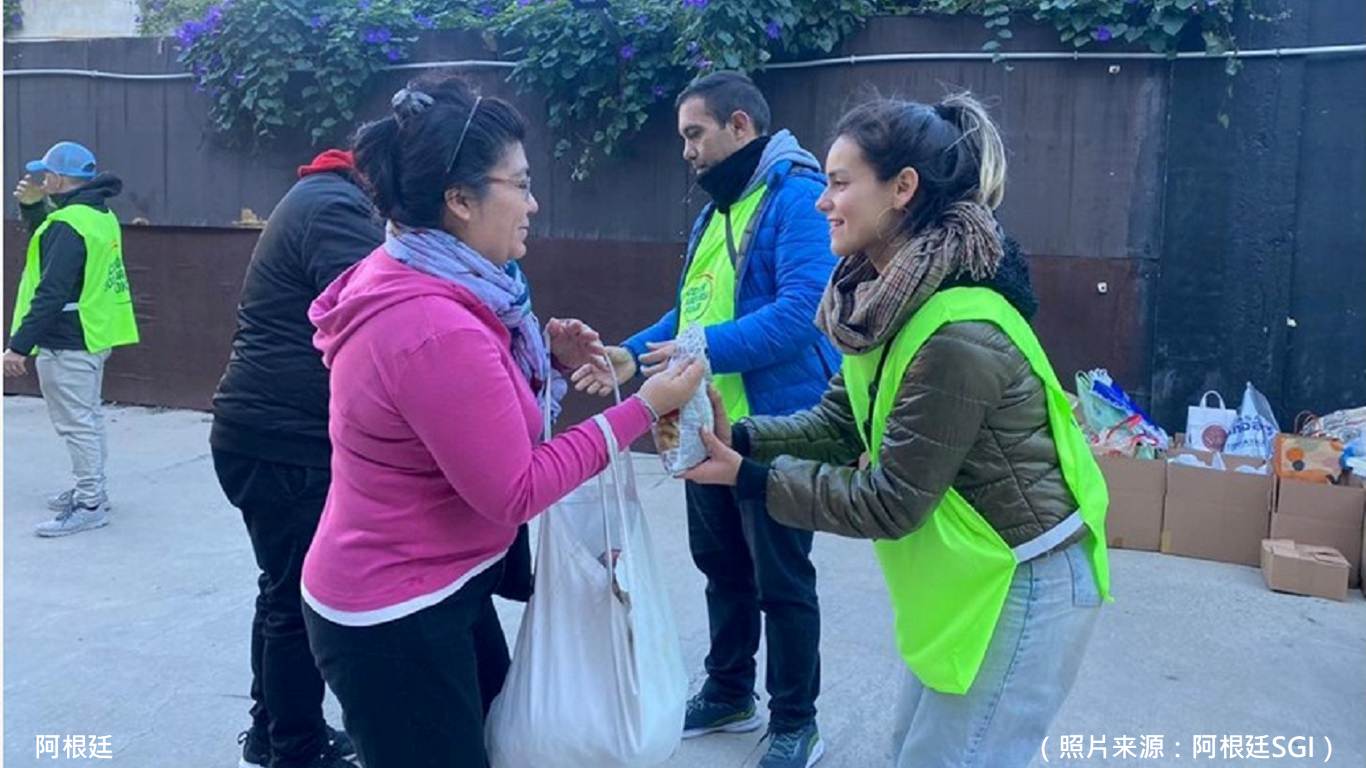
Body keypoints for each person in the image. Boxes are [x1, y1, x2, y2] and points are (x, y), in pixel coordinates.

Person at [684, 94, 1111, 767]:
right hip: (974, 579)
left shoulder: (955, 332)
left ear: (902, 189)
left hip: (1024, 582)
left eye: (839, 183)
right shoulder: (881, 302)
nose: (823, 202)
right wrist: (739, 438)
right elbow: (839, 421)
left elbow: (890, 501)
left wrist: (753, 479)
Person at [298, 75, 705, 768]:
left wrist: (546, 363)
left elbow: (475, 425)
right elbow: (514, 489)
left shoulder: (441, 283)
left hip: (439, 586)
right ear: (459, 201)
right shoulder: (434, 323)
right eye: (519, 184)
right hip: (395, 617)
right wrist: (644, 408)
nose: (532, 203)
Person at [575, 70, 837, 768]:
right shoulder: (717, 211)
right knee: (722, 567)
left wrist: (694, 350)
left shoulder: (797, 197)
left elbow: (801, 313)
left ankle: (796, 721)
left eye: (696, 134)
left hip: (777, 428)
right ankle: (728, 691)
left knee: (782, 580)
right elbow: (692, 307)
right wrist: (631, 353)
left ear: (740, 126)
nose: (687, 151)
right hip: (706, 425)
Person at [210, 149, 380, 768]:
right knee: (297, 601)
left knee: (281, 592)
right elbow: (380, 305)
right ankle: (297, 750)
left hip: (262, 435)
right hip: (285, 443)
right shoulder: (335, 209)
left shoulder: (318, 198)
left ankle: (273, 733)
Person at [5, 141, 138, 537]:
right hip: (93, 332)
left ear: (60, 180)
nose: (40, 179)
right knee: (88, 418)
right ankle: (91, 490)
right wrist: (33, 208)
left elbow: (52, 289)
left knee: (76, 424)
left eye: (45, 174)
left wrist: (18, 346)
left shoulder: (68, 224)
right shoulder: (98, 214)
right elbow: (55, 245)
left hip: (67, 340)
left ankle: (90, 503)